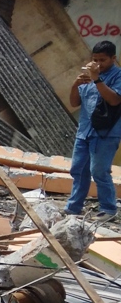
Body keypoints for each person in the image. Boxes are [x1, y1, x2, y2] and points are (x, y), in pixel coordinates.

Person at [64, 41, 121, 219]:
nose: (98, 64)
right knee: (78, 169)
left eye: (102, 60)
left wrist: (97, 79)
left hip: (106, 133)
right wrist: (75, 84)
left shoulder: (117, 76)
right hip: (84, 131)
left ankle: (109, 209)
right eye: (95, 60)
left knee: (99, 171)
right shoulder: (89, 75)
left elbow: (114, 100)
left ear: (113, 58)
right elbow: (74, 102)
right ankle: (73, 207)